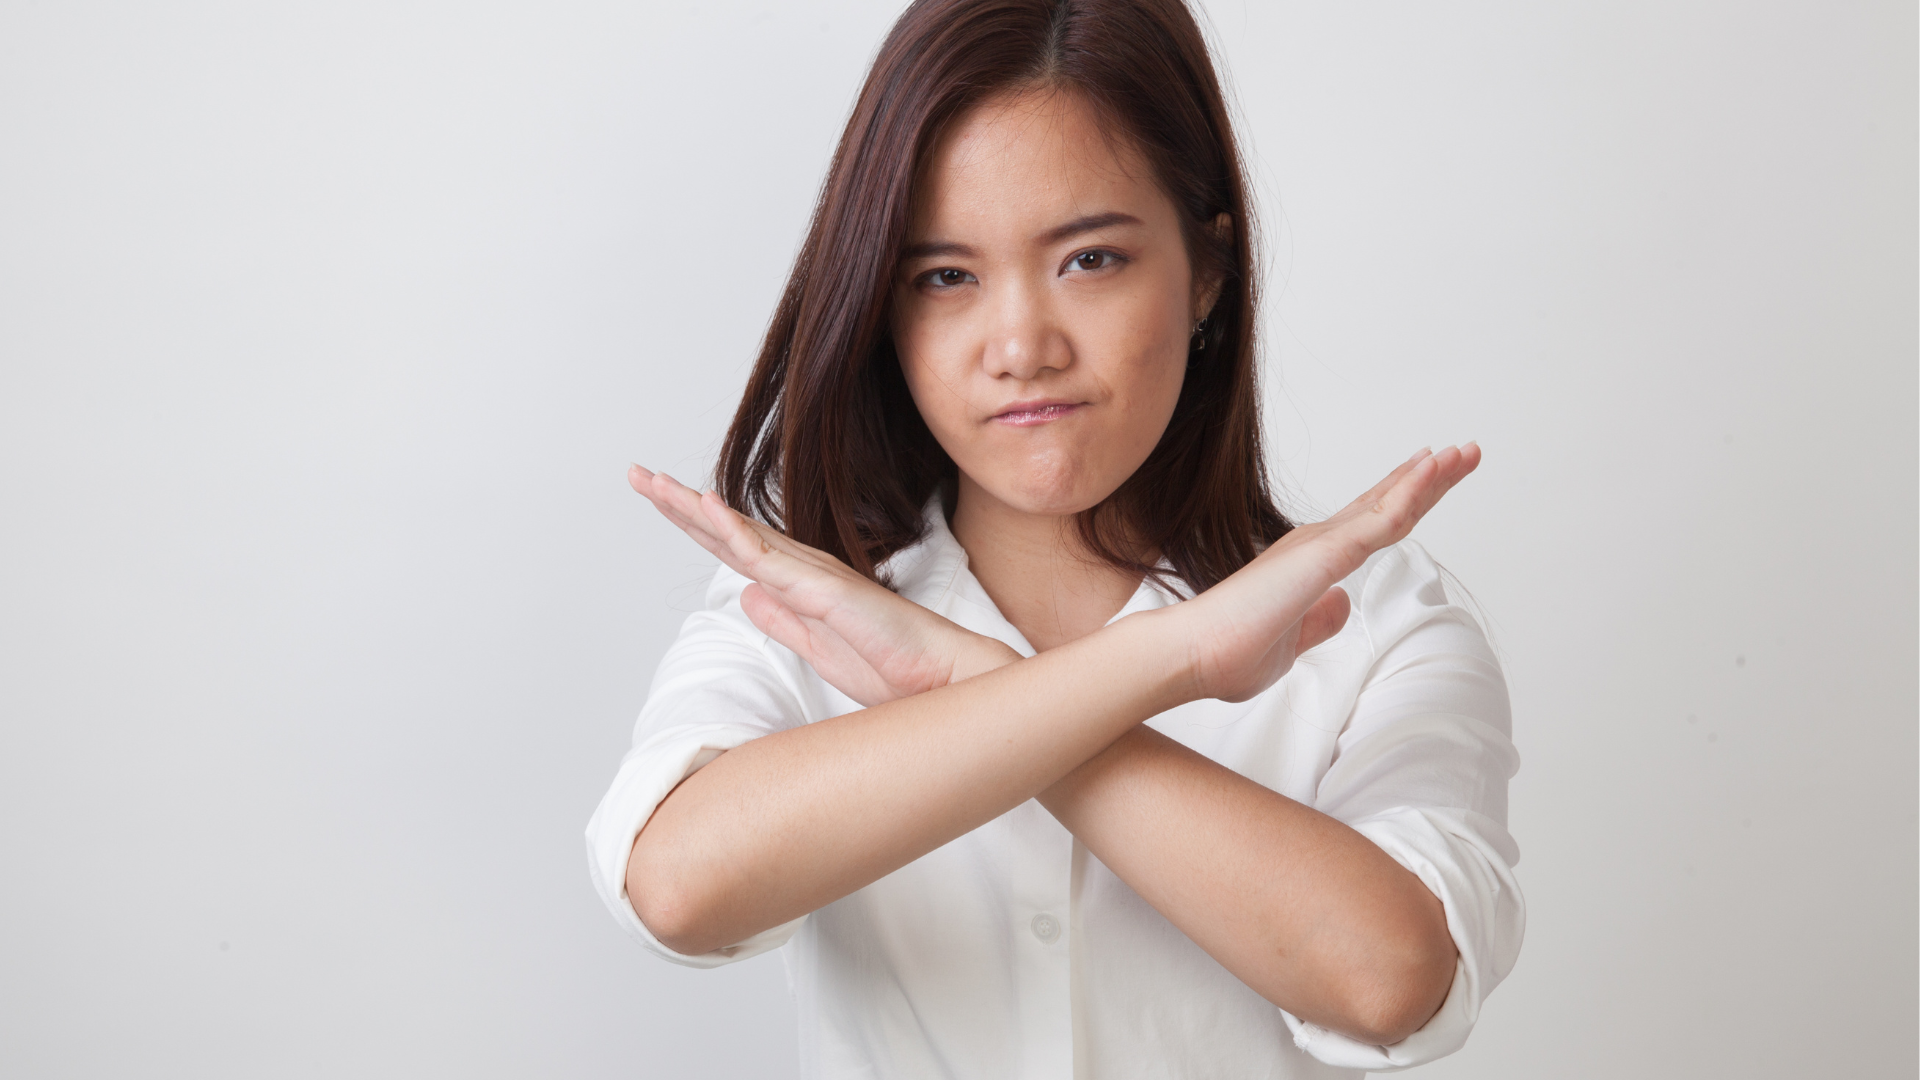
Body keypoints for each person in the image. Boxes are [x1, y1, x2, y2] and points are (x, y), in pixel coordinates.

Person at [586, 1, 1523, 1075]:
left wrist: (958, 679)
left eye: (1090, 260)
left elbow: (1388, 977)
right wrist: (1171, 660)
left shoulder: (1377, 622)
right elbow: (677, 888)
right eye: (945, 278)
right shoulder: (806, 610)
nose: (1021, 347)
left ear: (1208, 269)